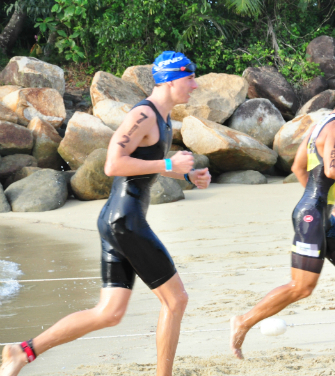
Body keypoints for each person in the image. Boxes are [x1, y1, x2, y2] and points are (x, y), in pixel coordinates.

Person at [1, 51, 211, 376]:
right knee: (176, 300)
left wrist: (187, 174)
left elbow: (143, 163)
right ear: (171, 80)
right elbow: (113, 164)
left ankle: (23, 351)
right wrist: (168, 162)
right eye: (190, 78)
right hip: (126, 221)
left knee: (109, 312)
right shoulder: (144, 114)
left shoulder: (163, 117)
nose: (194, 86)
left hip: (118, 220)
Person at [230, 67, 335, 359]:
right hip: (312, 215)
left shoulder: (321, 124)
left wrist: (324, 201)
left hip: (319, 212)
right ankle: (242, 321)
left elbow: (298, 167)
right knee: (302, 287)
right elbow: (333, 169)